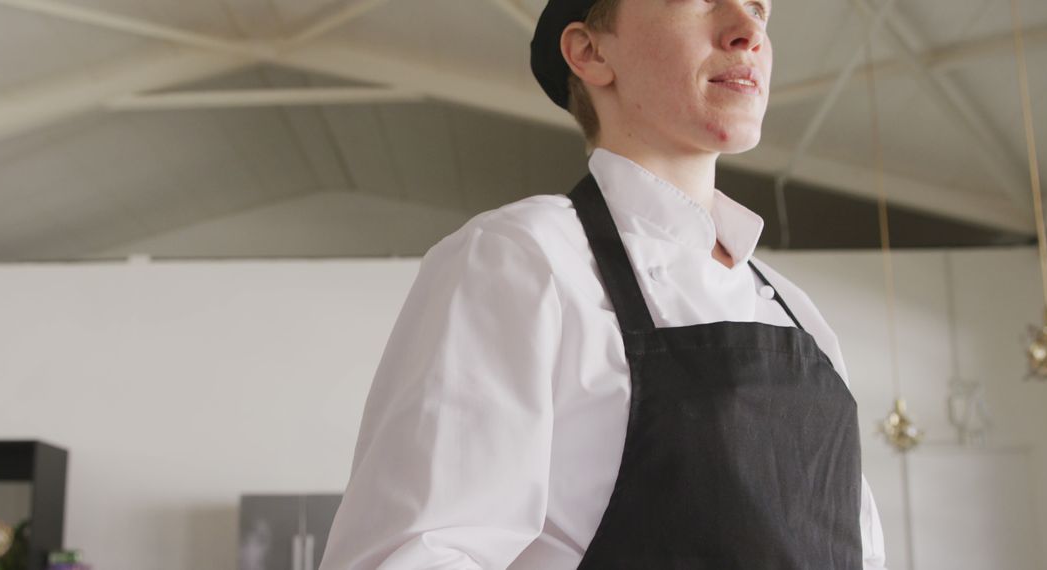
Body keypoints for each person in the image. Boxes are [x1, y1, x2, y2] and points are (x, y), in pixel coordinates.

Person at [319, 0, 889, 568]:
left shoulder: (797, 313)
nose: (748, 32)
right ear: (590, 53)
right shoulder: (522, 259)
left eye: (760, 9)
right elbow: (417, 555)